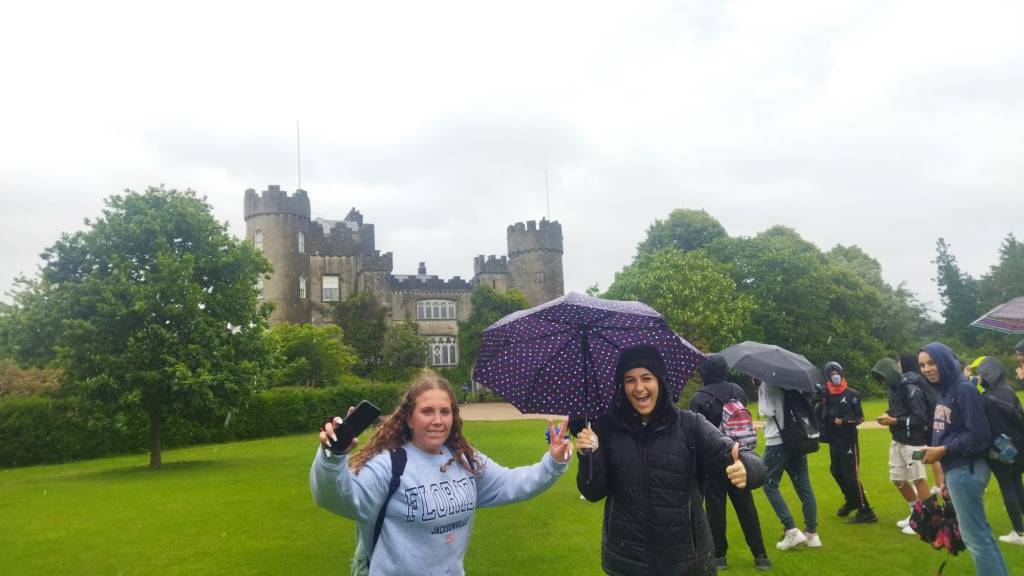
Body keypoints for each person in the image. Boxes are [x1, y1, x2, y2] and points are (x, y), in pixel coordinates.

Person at [310, 373, 572, 575]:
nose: (437, 420)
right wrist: (332, 458)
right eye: (427, 411)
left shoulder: (464, 459)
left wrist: (553, 461)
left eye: (445, 412)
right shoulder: (389, 464)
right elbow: (337, 498)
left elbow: (511, 483)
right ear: (409, 418)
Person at [575, 345, 766, 575]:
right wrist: (589, 455)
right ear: (621, 386)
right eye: (630, 380)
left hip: (687, 562)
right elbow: (592, 492)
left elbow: (743, 456)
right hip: (627, 561)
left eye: (647, 378)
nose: (639, 388)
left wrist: (747, 467)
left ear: (660, 381)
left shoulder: (690, 425)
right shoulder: (608, 429)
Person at [918, 342, 1010, 576]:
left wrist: (943, 450)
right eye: (922, 365)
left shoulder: (963, 389)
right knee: (980, 536)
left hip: (967, 470)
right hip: (956, 471)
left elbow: (979, 435)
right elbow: (950, 430)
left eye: (932, 362)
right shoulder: (943, 391)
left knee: (976, 539)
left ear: (945, 361)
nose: (927, 369)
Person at [690, 354, 771, 571]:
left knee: (716, 510)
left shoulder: (699, 398)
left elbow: (695, 436)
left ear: (704, 372)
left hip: (714, 460)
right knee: (747, 508)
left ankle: (719, 557)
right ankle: (760, 555)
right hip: (739, 458)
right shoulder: (738, 391)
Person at [758, 377, 820, 550]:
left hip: (777, 439)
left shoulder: (767, 383)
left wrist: (761, 392)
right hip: (798, 439)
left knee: (769, 484)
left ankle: (791, 530)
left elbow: (767, 411)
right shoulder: (795, 382)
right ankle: (812, 534)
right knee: (804, 485)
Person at [873, 357, 930, 535]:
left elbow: (920, 418)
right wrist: (887, 414)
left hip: (915, 443)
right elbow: (896, 410)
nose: (882, 383)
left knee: (918, 478)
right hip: (898, 440)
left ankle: (926, 520)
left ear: (890, 374)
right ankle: (915, 512)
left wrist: (894, 421)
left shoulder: (912, 389)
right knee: (897, 478)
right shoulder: (893, 390)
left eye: (883, 378)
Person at [975, 356, 1024, 545]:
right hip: (1018, 447)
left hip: (999, 451)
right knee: (1017, 485)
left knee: (1007, 488)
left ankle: (1019, 533)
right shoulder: (1009, 391)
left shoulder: (987, 398)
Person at [821, 361, 876, 524]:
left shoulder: (853, 394)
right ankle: (851, 500)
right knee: (836, 471)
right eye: (832, 374)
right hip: (833, 440)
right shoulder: (825, 394)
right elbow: (820, 411)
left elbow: (860, 417)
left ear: (842, 373)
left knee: (851, 475)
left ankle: (866, 510)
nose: (835, 376)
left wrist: (845, 421)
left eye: (836, 373)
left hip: (849, 440)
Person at [899, 352, 944, 494]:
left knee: (922, 454)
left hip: (924, 424)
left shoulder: (911, 382)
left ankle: (935, 486)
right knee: (929, 454)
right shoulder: (922, 379)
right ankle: (939, 485)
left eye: (899, 363)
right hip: (931, 421)